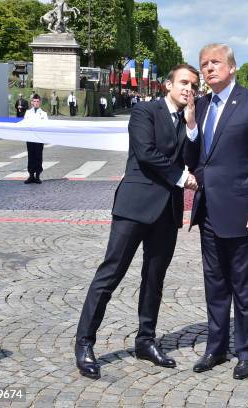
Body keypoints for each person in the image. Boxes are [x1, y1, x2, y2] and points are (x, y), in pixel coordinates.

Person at [74, 64, 200, 379]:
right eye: (184, 82)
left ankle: (146, 341)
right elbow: (145, 153)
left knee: (154, 280)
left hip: (167, 212)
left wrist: (193, 125)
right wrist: (182, 176)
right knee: (110, 275)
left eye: (194, 86)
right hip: (135, 206)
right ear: (169, 83)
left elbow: (196, 157)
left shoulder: (188, 119)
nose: (189, 89)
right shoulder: (145, 111)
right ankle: (85, 342)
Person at [185, 43, 248, 380]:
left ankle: (247, 352)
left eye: (216, 62)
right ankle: (216, 347)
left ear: (232, 67)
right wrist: (191, 125)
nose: (209, 69)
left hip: (244, 212)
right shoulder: (201, 105)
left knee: (247, 285)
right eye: (204, 64)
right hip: (208, 209)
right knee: (215, 284)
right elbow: (196, 155)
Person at [22, 94, 48, 184]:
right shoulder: (28, 112)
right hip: (30, 137)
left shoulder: (44, 114)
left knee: (38, 156)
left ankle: (37, 176)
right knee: (31, 156)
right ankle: (31, 175)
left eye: (37, 101)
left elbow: (45, 126)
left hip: (39, 138)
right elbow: (25, 123)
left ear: (40, 102)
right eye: (34, 101)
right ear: (32, 102)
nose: (36, 103)